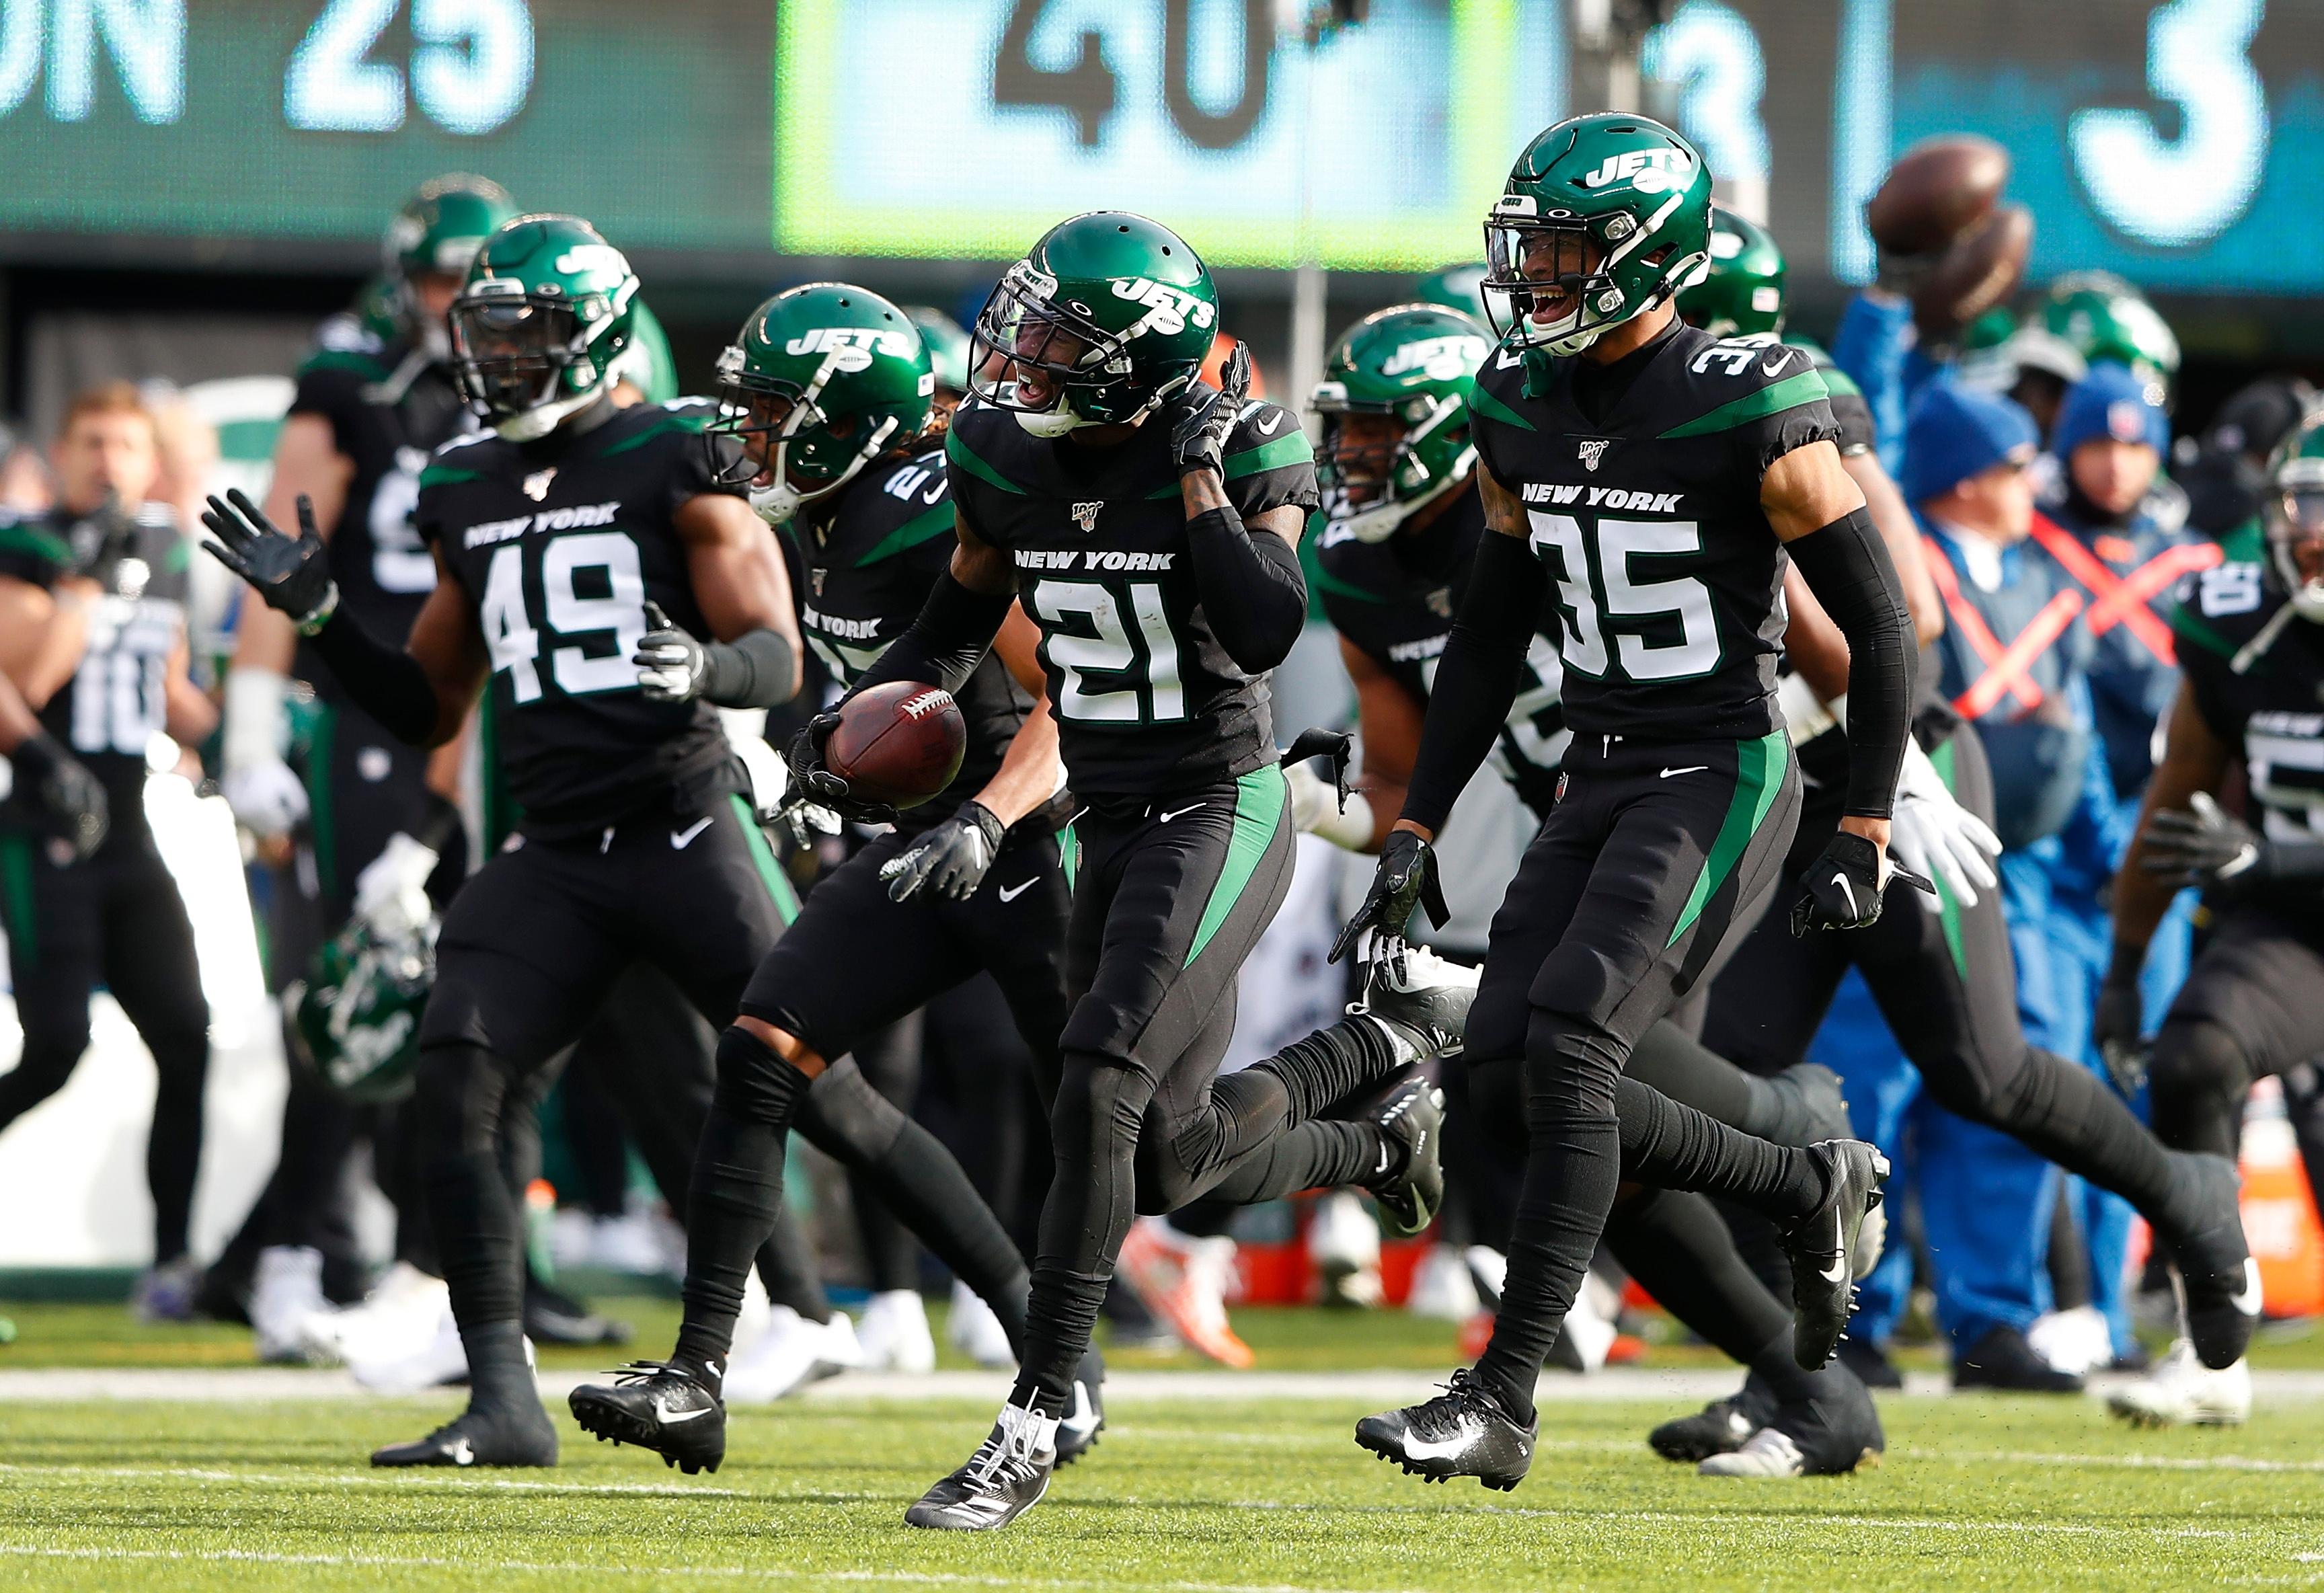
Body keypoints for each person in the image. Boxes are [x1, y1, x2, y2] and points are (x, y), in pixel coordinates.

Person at [754, 210, 1471, 1530]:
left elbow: (1259, 629)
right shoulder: (997, 451)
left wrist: (1197, 483)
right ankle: (1375, 1107)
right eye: (1024, 326)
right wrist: (861, 709)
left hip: (1217, 798)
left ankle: (1042, 1412)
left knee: (1094, 1081)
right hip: (1108, 815)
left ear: (1135, 359)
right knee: (1161, 1162)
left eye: (1057, 337)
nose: (1020, 355)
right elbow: (957, 612)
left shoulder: (1244, 441)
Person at [1339, 114, 1916, 1493]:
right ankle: (1802, 1185)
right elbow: (1486, 635)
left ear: (1647, 255)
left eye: (1563, 249)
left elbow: (1886, 630)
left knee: (1571, 1059)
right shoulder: (1515, 401)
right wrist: (1418, 824)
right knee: (1498, 1089)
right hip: (1598, 772)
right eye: (1524, 245)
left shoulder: (1747, 400)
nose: (1533, 273)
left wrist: (1870, 820)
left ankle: (1505, 1397)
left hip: (1719, 764)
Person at [202, 212, 811, 1467]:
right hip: (555, 840)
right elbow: (432, 702)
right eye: (484, 333)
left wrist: (708, 670)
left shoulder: (679, 445)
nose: (499, 357)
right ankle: (502, 1392)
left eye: (524, 332)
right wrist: (316, 615)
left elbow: (776, 652)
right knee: (460, 1069)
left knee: (815, 1082)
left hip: (684, 813)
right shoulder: (465, 479)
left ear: (592, 334)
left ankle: (1030, 1333)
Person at [200, 175, 516, 1355]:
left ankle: (416, 1268)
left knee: (465, 1011)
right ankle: (295, 1258)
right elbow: (291, 543)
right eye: (442, 279)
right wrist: (248, 714)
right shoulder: (353, 383)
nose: (459, 303)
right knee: (351, 999)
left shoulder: (525, 396)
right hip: (369, 711)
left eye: (475, 282)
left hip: (478, 719)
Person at [2099, 414, 2324, 1426]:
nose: (2319, 532)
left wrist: (2266, 855)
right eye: (2308, 505)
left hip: (2277, 879)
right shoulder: (2238, 622)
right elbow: (2179, 792)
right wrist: (2125, 964)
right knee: (2192, 1058)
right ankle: (2213, 1340)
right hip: (2291, 929)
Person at [0, 383, 219, 1317]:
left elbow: (175, 694)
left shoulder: (165, 550)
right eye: (91, 441)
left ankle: (172, 1260)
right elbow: (28, 679)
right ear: (61, 449)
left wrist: (249, 731)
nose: (108, 461)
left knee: (186, 1032)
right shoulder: (29, 544)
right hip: (50, 819)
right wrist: (84, 586)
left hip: (131, 822)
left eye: (126, 445)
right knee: (55, 1047)